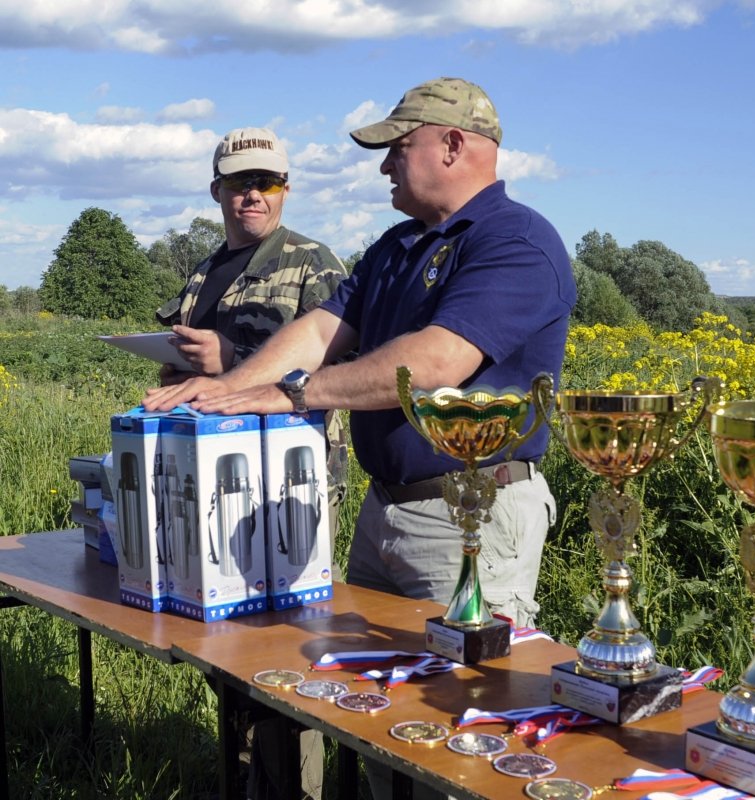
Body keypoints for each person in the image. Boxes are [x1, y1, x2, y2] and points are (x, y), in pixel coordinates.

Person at [144, 78, 577, 796]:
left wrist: (286, 395)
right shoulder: (399, 245)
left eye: (396, 150)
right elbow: (320, 329)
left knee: (460, 728)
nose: (383, 168)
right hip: (386, 515)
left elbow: (437, 363)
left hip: (468, 518)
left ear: (453, 145)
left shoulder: (517, 242)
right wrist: (230, 391)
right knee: (380, 721)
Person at [157, 126, 348, 800]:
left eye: (266, 183)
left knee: (284, 650)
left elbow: (337, 372)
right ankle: (243, 777)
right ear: (217, 192)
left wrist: (228, 367)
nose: (252, 196)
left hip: (284, 492)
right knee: (227, 649)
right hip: (204, 487)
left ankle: (298, 790)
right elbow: (178, 368)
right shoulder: (204, 272)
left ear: (286, 190)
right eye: (240, 184)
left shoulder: (314, 263)